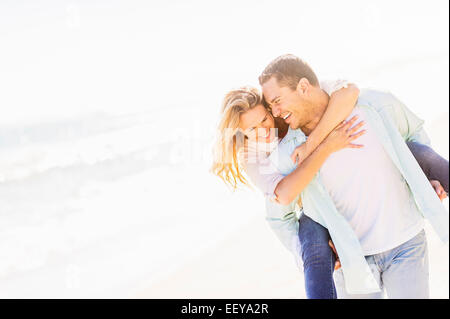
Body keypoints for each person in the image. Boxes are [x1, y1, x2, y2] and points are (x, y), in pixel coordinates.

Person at [211, 80, 448, 298]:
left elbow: (348, 91)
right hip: (310, 207)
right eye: (252, 129)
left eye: (264, 119)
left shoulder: (290, 112)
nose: (263, 130)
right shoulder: (252, 156)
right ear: (240, 135)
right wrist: (326, 146)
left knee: (420, 155)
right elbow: (282, 199)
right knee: (313, 250)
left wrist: (424, 180)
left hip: (391, 225)